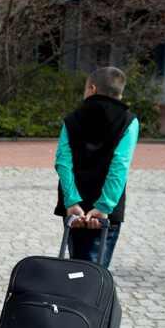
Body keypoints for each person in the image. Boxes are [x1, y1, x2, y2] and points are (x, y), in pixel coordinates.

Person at [54, 66, 139, 268]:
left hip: (75, 207)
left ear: (92, 88)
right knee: (96, 272)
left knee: (76, 266)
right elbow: (120, 165)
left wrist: (72, 200)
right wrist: (104, 206)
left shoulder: (72, 118)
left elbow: (63, 162)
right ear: (119, 92)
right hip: (106, 211)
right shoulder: (129, 121)